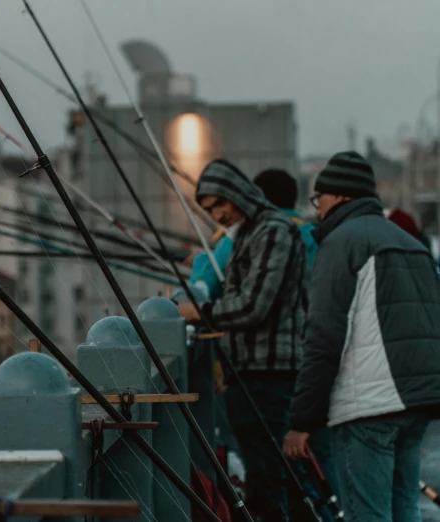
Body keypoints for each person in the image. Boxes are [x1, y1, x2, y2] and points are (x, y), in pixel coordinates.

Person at [283, 151, 440, 522]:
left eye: (317, 198)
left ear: (338, 196)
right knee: (405, 509)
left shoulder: (341, 243)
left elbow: (322, 337)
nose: (316, 207)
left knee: (367, 514)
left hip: (368, 406)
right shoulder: (412, 244)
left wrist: (301, 421)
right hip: (417, 402)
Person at [178, 159, 307, 521]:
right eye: (209, 210)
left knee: (270, 477)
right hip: (251, 372)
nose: (218, 214)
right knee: (263, 474)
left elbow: (254, 306)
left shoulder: (273, 231)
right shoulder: (252, 231)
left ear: (238, 194)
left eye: (221, 203)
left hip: (270, 372)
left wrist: (196, 311)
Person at [186, 168, 316, 301]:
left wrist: (200, 260)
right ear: (294, 200)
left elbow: (208, 283)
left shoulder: (245, 234)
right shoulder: (313, 234)